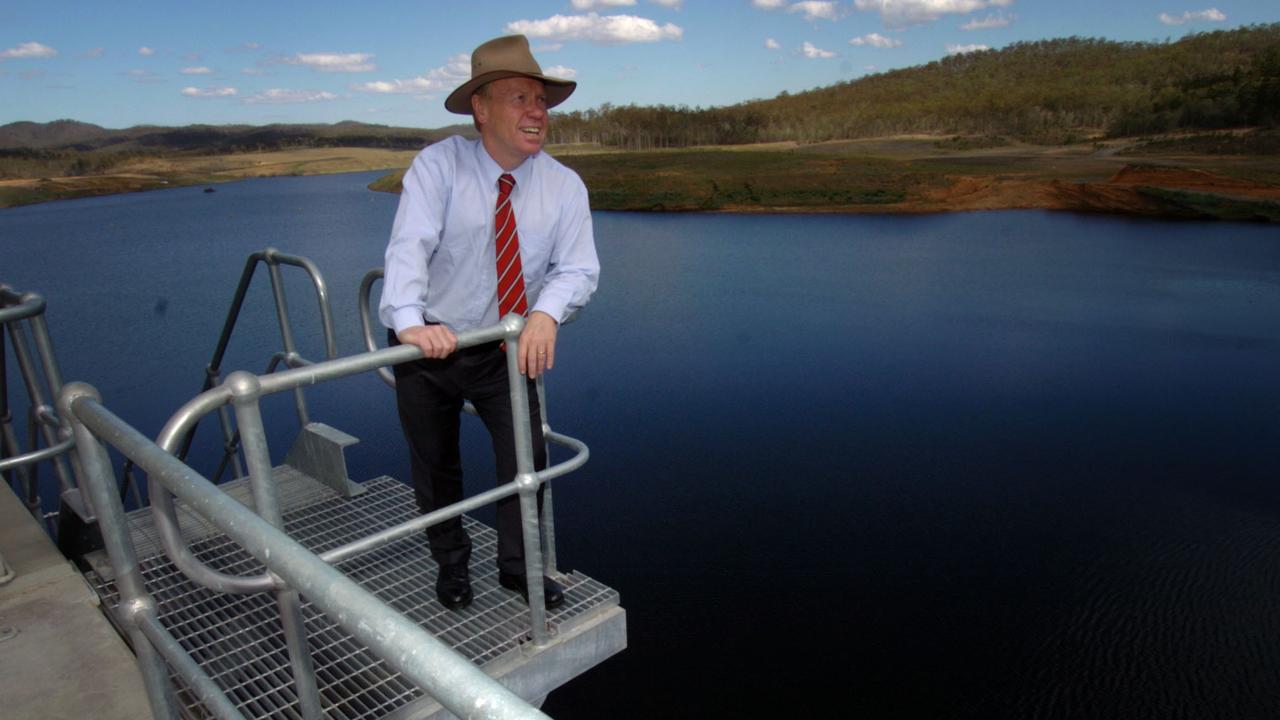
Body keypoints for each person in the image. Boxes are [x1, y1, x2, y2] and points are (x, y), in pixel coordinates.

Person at [378, 34, 599, 611]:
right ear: (481, 108)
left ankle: (518, 568)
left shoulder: (563, 186)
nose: (536, 112)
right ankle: (451, 566)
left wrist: (546, 313)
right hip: (429, 343)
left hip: (503, 346)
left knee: (528, 461)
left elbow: (577, 267)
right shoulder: (439, 166)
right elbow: (408, 248)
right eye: (520, 98)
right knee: (435, 464)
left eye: (542, 101)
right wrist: (407, 322)